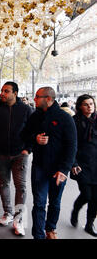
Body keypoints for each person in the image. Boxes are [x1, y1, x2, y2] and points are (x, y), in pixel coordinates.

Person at [22, 87, 77, 239]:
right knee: (39, 203)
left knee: (55, 202)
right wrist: (35, 139)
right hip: (39, 166)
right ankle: (38, 235)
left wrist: (64, 169)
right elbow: (24, 135)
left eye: (37, 97)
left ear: (48, 98)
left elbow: (72, 146)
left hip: (58, 170)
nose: (34, 99)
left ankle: (50, 228)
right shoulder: (35, 116)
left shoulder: (65, 118)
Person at [0, 81, 33, 236]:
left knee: (21, 186)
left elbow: (33, 130)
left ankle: (18, 220)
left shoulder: (26, 110)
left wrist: (28, 149)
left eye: (6, 91)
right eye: (2, 91)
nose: (3, 93)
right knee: (4, 183)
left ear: (15, 93)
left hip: (20, 154)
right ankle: (8, 213)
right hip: (1, 152)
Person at [70, 94, 97, 237]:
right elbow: (70, 144)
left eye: (91, 103)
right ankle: (75, 210)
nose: (89, 106)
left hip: (96, 163)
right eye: (86, 104)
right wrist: (73, 163)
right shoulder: (74, 121)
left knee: (96, 198)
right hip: (81, 164)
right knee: (87, 195)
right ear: (80, 106)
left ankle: (89, 224)